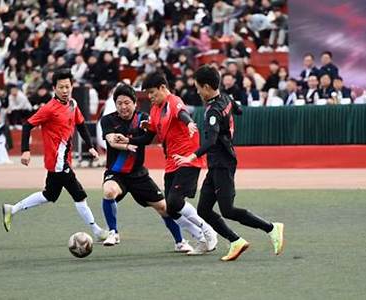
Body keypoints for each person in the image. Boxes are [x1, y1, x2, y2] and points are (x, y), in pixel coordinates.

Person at [174, 65, 284, 261]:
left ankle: (272, 228)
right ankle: (236, 241)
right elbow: (239, 110)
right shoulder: (226, 98)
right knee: (204, 210)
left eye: (198, 87)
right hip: (216, 163)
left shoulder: (213, 111)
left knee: (228, 210)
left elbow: (211, 140)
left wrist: (190, 157)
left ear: (207, 87)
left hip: (223, 163)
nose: (197, 91)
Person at [1, 69, 108, 242]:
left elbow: (81, 125)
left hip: (62, 161)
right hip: (58, 163)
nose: (65, 90)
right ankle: (97, 231)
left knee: (49, 195)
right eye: (61, 87)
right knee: (79, 195)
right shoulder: (49, 108)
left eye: (67, 86)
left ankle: (12, 209)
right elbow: (27, 125)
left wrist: (90, 146)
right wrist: (25, 151)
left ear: (72, 86)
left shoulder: (72, 104)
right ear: (54, 88)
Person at [119, 72, 218, 255]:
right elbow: (148, 137)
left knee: (175, 201)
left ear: (163, 88)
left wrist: (188, 124)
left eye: (152, 92)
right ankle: (201, 239)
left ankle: (208, 230)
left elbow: (181, 114)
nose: (150, 97)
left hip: (188, 159)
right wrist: (128, 141)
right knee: (170, 209)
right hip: (172, 162)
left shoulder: (173, 101)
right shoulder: (155, 109)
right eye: (148, 93)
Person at [99, 83, 193, 252]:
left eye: (127, 102)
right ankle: (113, 232)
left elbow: (149, 137)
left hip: (139, 175)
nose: (123, 107)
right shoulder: (108, 120)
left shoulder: (143, 118)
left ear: (135, 103)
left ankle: (180, 242)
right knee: (108, 191)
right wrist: (126, 146)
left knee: (164, 208)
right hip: (116, 173)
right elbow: (112, 140)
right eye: (119, 103)